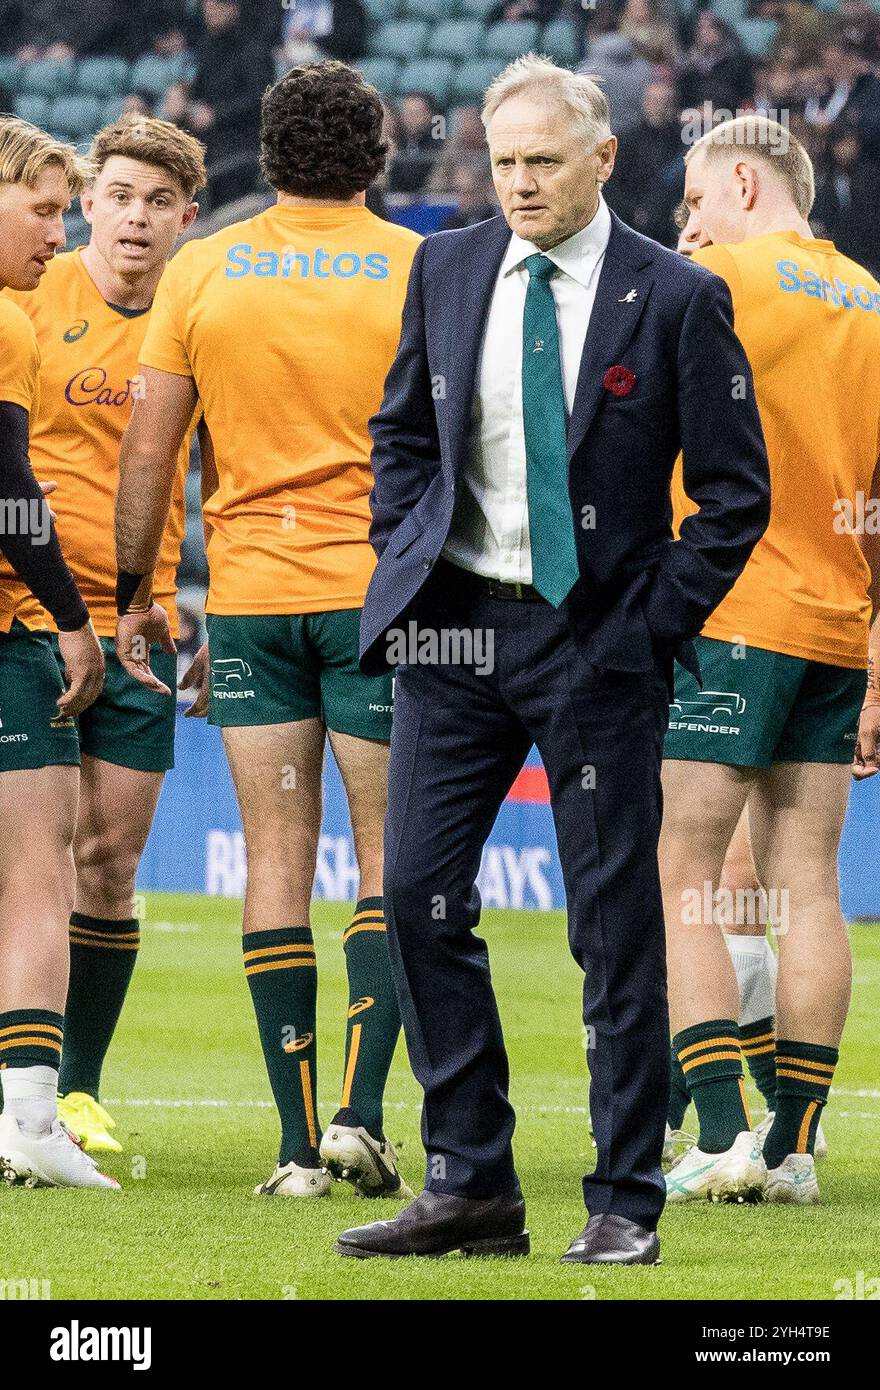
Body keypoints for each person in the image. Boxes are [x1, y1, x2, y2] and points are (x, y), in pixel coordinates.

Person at [334, 54, 769, 1264]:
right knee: (417, 897)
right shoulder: (446, 262)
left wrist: (641, 625)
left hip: (595, 640)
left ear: (602, 158)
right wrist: (406, 546)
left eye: (540, 160)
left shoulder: (677, 296)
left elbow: (735, 498)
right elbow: (400, 435)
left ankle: (626, 1194)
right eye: (503, 160)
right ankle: (471, 1183)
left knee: (611, 926)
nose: (517, 182)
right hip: (452, 631)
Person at [113, 62, 421, 1201]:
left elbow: (150, 455)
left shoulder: (204, 269)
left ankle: (294, 1149)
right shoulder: (419, 267)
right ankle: (360, 1115)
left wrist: (139, 593)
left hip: (248, 599)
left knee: (275, 859)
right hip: (383, 601)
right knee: (392, 857)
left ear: (268, 152)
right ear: (377, 156)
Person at [662, 114, 880, 1206]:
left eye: (697, 200)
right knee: (807, 885)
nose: (688, 224)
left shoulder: (711, 285)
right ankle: (792, 1148)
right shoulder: (873, 301)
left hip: (727, 610)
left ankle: (713, 1134)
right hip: (837, 620)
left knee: (685, 873)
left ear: (743, 181)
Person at [3, 115, 206, 1153]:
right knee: (26, 858)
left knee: (109, 859)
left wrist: (230, 609)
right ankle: (20, 1087)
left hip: (138, 626)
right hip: (31, 616)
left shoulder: (197, 314)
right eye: (118, 195)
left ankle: (73, 1091)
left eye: (156, 201)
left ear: (185, 215)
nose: (135, 216)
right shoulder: (33, 298)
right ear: (90, 202)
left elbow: (234, 468)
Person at [0, 116, 114, 1190]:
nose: (59, 231)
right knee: (36, 878)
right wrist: (73, 621)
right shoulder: (8, 323)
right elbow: (6, 490)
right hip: (5, 639)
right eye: (40, 207)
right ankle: (32, 1120)